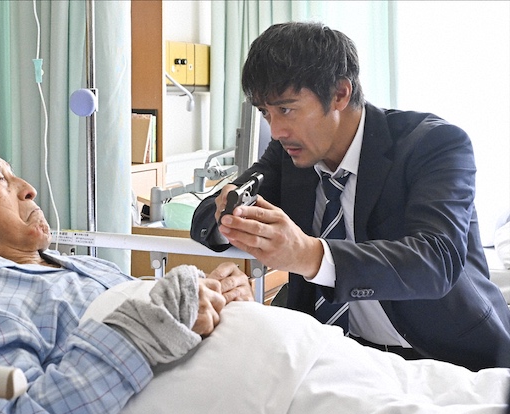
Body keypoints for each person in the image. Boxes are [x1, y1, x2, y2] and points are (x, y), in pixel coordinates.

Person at [190, 21, 510, 371]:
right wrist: (229, 218)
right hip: (339, 356)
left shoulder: (434, 144)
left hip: (443, 357)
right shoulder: (290, 153)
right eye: (265, 113)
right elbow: (206, 218)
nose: (276, 130)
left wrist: (309, 254)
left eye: (286, 109)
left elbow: (435, 262)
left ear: (340, 94)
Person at [0, 116, 254, 414]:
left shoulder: (76, 265)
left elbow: (159, 315)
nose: (28, 189)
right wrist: (147, 329)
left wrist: (215, 296)